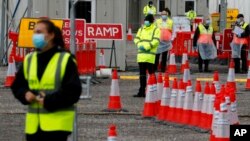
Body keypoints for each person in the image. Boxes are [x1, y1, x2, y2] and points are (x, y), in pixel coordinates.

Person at [11, 19, 82, 141]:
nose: (35, 36)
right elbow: (17, 85)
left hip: (57, 127)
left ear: (51, 35)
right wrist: (24, 94)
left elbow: (73, 91)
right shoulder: (29, 59)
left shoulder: (65, 59)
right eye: (34, 32)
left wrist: (48, 100)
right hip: (33, 127)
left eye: (39, 32)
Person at [133, 14, 160, 97]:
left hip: (150, 56)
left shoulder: (156, 29)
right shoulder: (141, 29)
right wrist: (138, 45)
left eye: (147, 20)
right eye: (145, 20)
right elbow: (136, 38)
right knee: (142, 75)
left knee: (151, 74)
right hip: (141, 56)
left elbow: (156, 41)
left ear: (151, 21)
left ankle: (153, 91)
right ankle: (141, 91)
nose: (146, 21)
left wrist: (147, 47)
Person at [154, 8, 173, 72]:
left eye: (165, 14)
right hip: (159, 40)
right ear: (161, 15)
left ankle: (163, 68)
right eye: (162, 14)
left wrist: (172, 38)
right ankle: (155, 67)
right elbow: (155, 29)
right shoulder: (157, 21)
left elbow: (173, 30)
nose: (164, 15)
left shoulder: (170, 21)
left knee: (164, 56)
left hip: (166, 41)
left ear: (167, 14)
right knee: (157, 54)